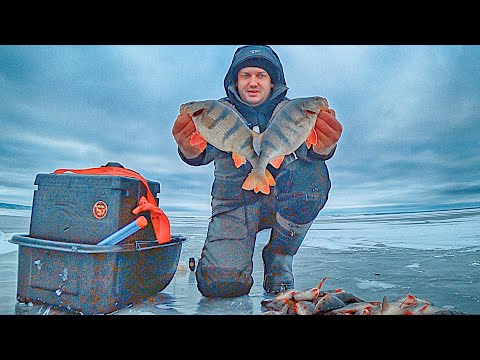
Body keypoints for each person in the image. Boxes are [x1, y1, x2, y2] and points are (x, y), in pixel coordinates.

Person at [172, 45, 343, 298]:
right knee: (220, 286)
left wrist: (325, 145)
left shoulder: (293, 112)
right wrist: (189, 148)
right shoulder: (218, 111)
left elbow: (312, 151)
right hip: (235, 204)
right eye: (245, 75)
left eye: (261, 75)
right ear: (235, 81)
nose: (253, 82)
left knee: (313, 177)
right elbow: (200, 153)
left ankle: (279, 255)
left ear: (272, 82)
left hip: (282, 202)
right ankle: (226, 258)